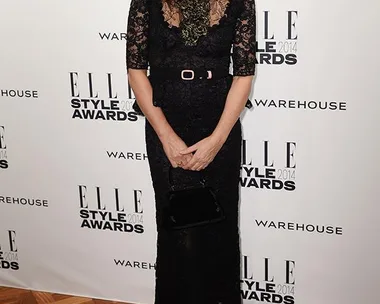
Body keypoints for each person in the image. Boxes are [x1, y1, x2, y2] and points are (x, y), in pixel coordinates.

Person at [126, 0, 256, 301]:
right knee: (176, 229)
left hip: (218, 125)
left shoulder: (239, 2)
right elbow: (135, 71)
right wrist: (167, 138)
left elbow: (243, 75)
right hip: (166, 122)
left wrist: (217, 139)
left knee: (218, 227)